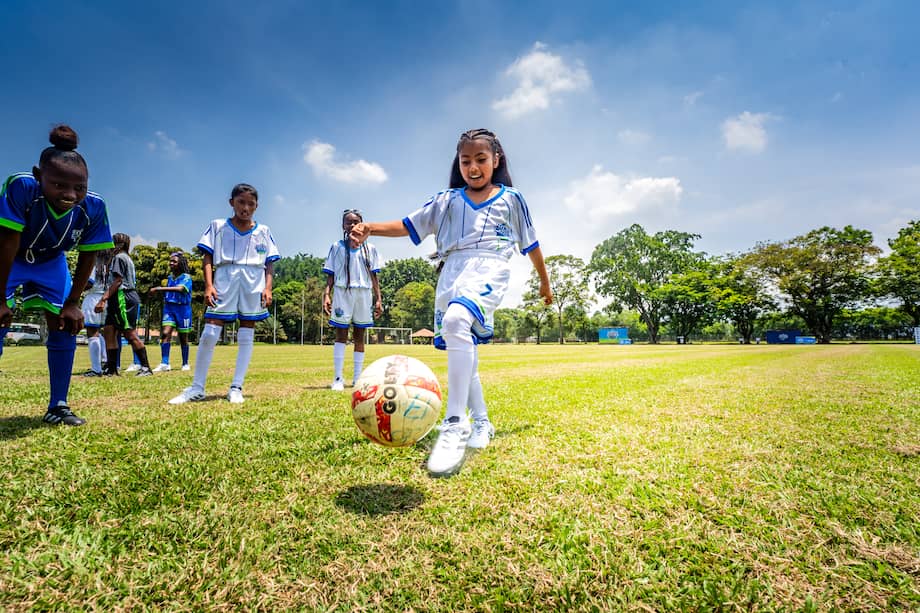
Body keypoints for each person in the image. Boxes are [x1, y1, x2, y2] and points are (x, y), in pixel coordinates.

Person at [351, 128, 553, 476]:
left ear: (496, 160)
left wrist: (545, 282)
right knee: (464, 344)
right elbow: (408, 225)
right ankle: (483, 423)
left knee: (457, 322)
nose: (473, 167)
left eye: (481, 159)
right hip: (451, 272)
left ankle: (455, 425)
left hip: (490, 266)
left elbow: (531, 244)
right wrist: (371, 227)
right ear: (458, 163)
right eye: (466, 160)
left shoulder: (512, 199)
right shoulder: (446, 201)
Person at [0, 125, 114, 426]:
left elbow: (89, 254)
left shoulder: (94, 207)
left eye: (79, 188)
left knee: (65, 323)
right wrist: (1, 298)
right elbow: (8, 240)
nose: (70, 194)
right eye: (60, 185)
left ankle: (58, 405)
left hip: (51, 262)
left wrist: (74, 301)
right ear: (39, 176)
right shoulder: (22, 187)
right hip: (9, 257)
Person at [169, 183, 279, 405]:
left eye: (251, 204)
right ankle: (197, 387)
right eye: (241, 202)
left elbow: (269, 263)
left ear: (257, 206)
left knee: (247, 330)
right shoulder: (218, 226)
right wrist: (209, 285)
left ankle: (236, 386)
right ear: (232, 203)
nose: (245, 208)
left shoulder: (264, 231)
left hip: (253, 279)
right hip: (225, 276)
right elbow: (207, 257)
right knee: (211, 330)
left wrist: (267, 288)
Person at [323, 209, 383, 391]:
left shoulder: (370, 249)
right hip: (343, 292)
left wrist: (379, 298)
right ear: (343, 225)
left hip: (364, 294)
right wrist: (327, 294)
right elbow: (331, 275)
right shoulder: (337, 247)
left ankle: (358, 379)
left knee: (359, 336)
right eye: (348, 222)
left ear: (362, 224)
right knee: (341, 334)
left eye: (355, 222)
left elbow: (374, 276)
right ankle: (338, 378)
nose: (351, 225)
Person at [96, 233, 153, 376]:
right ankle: (112, 369)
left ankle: (146, 367)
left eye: (112, 243)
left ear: (118, 244)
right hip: (117, 297)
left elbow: (118, 281)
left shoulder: (119, 257)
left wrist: (103, 299)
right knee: (109, 331)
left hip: (124, 297)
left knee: (129, 333)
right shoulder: (124, 257)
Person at [149, 251, 193, 372]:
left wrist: (159, 289)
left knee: (183, 337)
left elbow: (180, 289)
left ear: (180, 264)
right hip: (169, 308)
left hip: (183, 309)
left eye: (174, 261)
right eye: (170, 261)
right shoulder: (170, 278)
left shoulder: (186, 278)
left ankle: (185, 363)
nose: (171, 263)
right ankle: (165, 363)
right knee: (165, 333)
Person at [80, 249, 113, 376]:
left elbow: (89, 282)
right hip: (106, 298)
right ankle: (105, 362)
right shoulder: (109, 266)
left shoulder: (94, 264)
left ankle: (96, 368)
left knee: (92, 332)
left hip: (93, 298)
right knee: (100, 332)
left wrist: (76, 289)